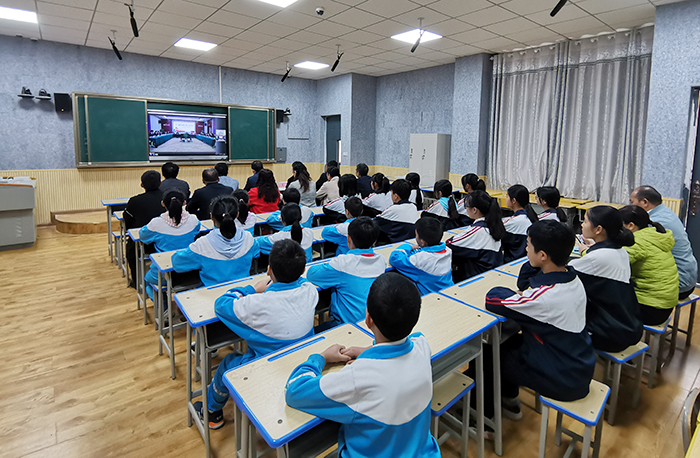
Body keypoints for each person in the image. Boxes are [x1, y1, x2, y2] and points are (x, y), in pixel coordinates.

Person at [285, 272, 440, 458]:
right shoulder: (422, 346)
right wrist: (370, 351)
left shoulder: (357, 378)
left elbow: (295, 391)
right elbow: (411, 340)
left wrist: (322, 357)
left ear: (368, 319)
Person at [196, 239, 318, 429]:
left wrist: (252, 289)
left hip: (266, 371)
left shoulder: (256, 304)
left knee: (228, 363)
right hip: (301, 362)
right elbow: (301, 282)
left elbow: (221, 304)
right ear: (302, 270)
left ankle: (212, 411)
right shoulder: (310, 291)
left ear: (269, 270)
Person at [483, 221, 596, 419]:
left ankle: (483, 417)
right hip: (577, 364)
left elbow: (493, 299)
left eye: (528, 245)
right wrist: (532, 266)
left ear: (543, 255)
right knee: (509, 341)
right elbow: (524, 285)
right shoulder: (573, 279)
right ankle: (509, 399)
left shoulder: (545, 297)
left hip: (562, 378)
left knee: (487, 353)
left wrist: (516, 293)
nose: (525, 249)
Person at [569, 206, 642, 352]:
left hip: (610, 334)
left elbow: (564, 273)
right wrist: (593, 247)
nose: (582, 224)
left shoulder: (598, 257)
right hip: (628, 327)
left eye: (586, 221)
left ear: (598, 229)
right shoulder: (620, 251)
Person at [306, 217, 386, 326]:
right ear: (375, 241)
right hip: (373, 322)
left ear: (348, 239)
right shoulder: (381, 260)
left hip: (348, 325)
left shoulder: (343, 264)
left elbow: (312, 274)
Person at [172, 195, 259, 285]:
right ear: (237, 215)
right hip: (242, 289)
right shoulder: (249, 238)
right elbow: (256, 253)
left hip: (212, 291)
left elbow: (177, 264)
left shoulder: (202, 244)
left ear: (211, 216)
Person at [631, 186, 698, 299]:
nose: (631, 206)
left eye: (632, 202)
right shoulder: (665, 212)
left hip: (678, 284)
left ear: (645, 202)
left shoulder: (654, 222)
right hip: (689, 278)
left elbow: (635, 250)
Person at [620, 205, 679, 325]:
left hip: (651, 309)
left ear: (631, 225)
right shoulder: (653, 235)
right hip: (664, 305)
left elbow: (610, 262)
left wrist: (586, 251)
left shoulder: (637, 241)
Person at [141, 190, 201, 301]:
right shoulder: (194, 220)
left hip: (163, 273)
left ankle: (163, 306)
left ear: (163, 203)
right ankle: (185, 302)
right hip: (189, 270)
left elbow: (142, 236)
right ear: (184, 203)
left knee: (147, 279)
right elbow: (197, 231)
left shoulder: (156, 223)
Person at [447, 190, 506, 282]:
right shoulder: (493, 224)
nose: (466, 209)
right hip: (491, 273)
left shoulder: (478, 230)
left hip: (477, 276)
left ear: (475, 210)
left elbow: (450, 244)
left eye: (467, 206)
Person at [390, 217, 453, 295]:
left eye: (416, 235)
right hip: (447, 290)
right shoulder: (448, 251)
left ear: (422, 242)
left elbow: (394, 258)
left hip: (430, 296)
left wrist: (410, 246)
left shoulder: (421, 259)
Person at [124, 170, 164, 287]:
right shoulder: (167, 198)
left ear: (142, 185)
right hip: (165, 241)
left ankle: (137, 282)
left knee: (131, 250)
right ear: (161, 183)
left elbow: (127, 219)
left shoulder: (135, 201)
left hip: (144, 243)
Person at [374, 179, 420, 244]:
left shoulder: (393, 209)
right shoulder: (413, 207)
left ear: (396, 196)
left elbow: (375, 223)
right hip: (410, 243)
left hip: (394, 244)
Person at [501, 184, 538, 262]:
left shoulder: (514, 221)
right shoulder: (531, 216)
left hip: (513, 260)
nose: (506, 198)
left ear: (514, 200)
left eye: (507, 196)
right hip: (525, 259)